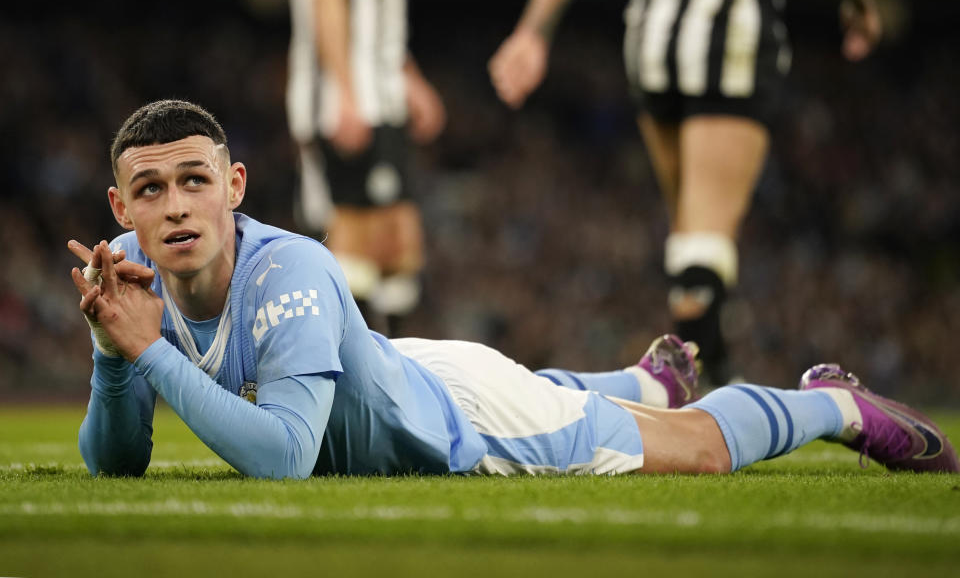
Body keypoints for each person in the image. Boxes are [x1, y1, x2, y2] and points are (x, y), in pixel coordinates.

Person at [69, 100, 956, 479]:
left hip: (463, 419)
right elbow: (115, 463)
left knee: (697, 451)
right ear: (121, 206)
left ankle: (832, 408)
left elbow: (286, 458)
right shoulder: (130, 274)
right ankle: (643, 382)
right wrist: (114, 355)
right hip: (396, 369)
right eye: (150, 190)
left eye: (195, 180)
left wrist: (147, 347)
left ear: (235, 186)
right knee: (553, 394)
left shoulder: (290, 270)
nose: (175, 206)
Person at [488, 0, 881, 386]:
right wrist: (861, 6)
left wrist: (533, 31)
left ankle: (711, 362)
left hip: (653, 51)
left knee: (690, 233)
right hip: (732, 45)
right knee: (705, 236)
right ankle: (699, 387)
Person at [284, 0, 446, 334]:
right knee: (354, 247)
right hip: (351, 104)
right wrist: (345, 93)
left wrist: (407, 76)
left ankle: (393, 375)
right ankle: (345, 379)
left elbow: (376, 9)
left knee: (399, 248)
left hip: (381, 98)